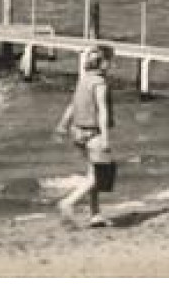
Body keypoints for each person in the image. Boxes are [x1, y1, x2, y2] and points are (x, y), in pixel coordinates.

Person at [54, 46, 116, 227]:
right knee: (100, 176)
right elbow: (102, 111)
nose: (112, 65)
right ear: (104, 63)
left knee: (92, 173)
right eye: (111, 61)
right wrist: (105, 138)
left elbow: (72, 105)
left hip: (77, 131)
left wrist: (62, 125)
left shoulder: (84, 80)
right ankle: (68, 202)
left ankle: (95, 214)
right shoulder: (100, 83)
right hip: (93, 133)